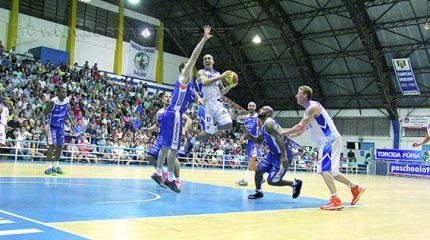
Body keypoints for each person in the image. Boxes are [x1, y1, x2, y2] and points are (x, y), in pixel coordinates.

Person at [283, 85, 365, 210]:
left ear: (305, 95)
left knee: (323, 169)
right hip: (330, 140)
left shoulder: (313, 107)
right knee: (333, 172)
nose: (296, 96)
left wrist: (282, 133)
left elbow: (300, 126)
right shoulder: (307, 112)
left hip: (328, 140)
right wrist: (290, 136)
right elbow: (301, 131)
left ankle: (336, 200)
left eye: (298, 93)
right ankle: (355, 188)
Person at [154, 25, 210, 193]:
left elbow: (197, 97)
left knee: (165, 146)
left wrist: (202, 101)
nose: (190, 67)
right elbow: (194, 57)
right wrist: (204, 39)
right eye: (187, 66)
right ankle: (171, 178)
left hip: (170, 114)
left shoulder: (191, 86)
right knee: (174, 148)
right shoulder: (184, 77)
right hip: (175, 115)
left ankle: (158, 172)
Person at [184, 50, 238, 155]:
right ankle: (192, 142)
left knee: (228, 124)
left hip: (218, 103)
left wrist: (230, 87)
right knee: (207, 133)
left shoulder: (217, 74)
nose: (207, 60)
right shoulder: (201, 72)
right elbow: (204, 82)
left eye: (209, 58)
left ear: (213, 61)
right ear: (204, 63)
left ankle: (211, 129)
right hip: (206, 104)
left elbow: (221, 91)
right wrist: (221, 77)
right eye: (205, 59)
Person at [246, 106, 302, 199]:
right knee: (259, 171)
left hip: (281, 155)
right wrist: (249, 135)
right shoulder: (264, 126)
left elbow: (280, 137)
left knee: (272, 181)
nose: (260, 110)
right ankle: (258, 192)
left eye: (263, 109)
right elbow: (259, 141)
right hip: (271, 154)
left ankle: (295, 184)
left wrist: (284, 156)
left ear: (268, 114)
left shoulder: (269, 123)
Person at [146, 93, 192, 190]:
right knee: (150, 156)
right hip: (162, 137)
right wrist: (148, 130)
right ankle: (164, 173)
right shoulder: (159, 113)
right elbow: (157, 126)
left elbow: (189, 121)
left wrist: (184, 130)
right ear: (162, 99)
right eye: (166, 97)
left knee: (172, 158)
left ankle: (177, 180)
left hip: (172, 137)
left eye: (170, 97)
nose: (168, 98)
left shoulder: (175, 110)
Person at [41, 87, 73, 175]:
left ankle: (56, 166)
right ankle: (48, 167)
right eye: (62, 92)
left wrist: (70, 120)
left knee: (60, 146)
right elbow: (44, 114)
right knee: (52, 146)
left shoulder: (67, 100)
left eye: (66, 92)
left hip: (61, 126)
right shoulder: (52, 102)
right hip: (51, 126)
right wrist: (44, 126)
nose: (65, 93)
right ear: (57, 93)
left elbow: (66, 111)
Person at [236, 102, 261, 186]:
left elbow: (262, 129)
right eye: (249, 106)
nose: (251, 107)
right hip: (249, 142)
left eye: (253, 106)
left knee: (251, 161)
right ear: (247, 107)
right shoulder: (246, 117)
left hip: (256, 141)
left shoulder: (258, 117)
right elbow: (246, 131)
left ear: (255, 107)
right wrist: (243, 138)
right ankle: (261, 178)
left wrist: (260, 140)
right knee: (251, 162)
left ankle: (245, 180)